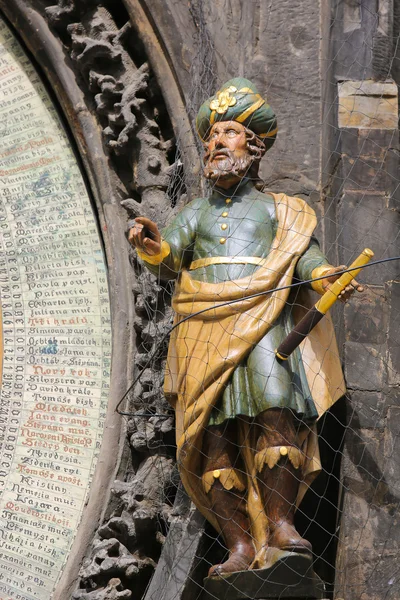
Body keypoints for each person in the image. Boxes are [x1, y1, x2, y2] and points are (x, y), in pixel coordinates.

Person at [128, 78, 362, 576]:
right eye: (212, 136)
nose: (216, 143)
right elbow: (169, 258)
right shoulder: (193, 213)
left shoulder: (283, 211)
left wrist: (326, 277)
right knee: (211, 435)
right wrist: (152, 244)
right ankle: (236, 544)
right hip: (202, 326)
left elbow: (304, 258)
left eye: (229, 133)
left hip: (262, 324)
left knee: (277, 412)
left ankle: (280, 526)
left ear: (253, 148)